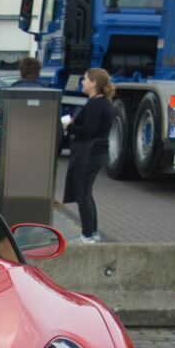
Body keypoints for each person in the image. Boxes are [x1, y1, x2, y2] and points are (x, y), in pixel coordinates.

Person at [61, 68, 115, 243]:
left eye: (85, 79)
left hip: (90, 152)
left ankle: (86, 236)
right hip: (98, 152)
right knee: (87, 192)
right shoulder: (104, 103)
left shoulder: (95, 104)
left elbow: (88, 131)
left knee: (82, 194)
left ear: (93, 83)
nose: (82, 82)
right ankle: (93, 232)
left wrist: (69, 126)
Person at [0, 57, 43, 193]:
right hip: (39, 161)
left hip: (11, 157)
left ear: (21, 71)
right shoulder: (49, 96)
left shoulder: (7, 93)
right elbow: (57, 133)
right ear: (38, 73)